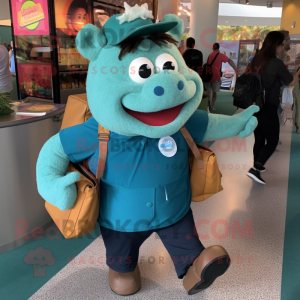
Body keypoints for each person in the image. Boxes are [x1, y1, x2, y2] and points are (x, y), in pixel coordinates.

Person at [247, 31, 300, 184]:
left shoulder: (257, 58)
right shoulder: (275, 62)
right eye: (283, 44)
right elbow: (290, 81)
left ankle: (257, 164)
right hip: (268, 105)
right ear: (277, 44)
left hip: (255, 104)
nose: (284, 47)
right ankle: (255, 169)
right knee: (272, 140)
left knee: (259, 138)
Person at [204, 43, 237, 111]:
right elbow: (229, 61)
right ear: (218, 48)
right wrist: (235, 68)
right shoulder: (220, 55)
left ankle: (207, 107)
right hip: (216, 77)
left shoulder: (210, 55)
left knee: (208, 93)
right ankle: (212, 107)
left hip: (207, 76)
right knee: (214, 93)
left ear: (213, 48)